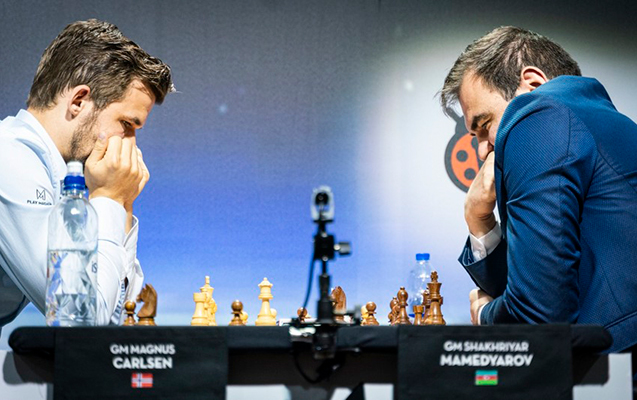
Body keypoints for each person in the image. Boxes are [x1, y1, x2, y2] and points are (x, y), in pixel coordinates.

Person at [439, 26, 637, 355]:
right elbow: (536, 284)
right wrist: (478, 219)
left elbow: (540, 317)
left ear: (532, 84)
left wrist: (484, 314)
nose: (481, 151)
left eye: (484, 125)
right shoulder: (591, 121)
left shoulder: (539, 114)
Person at [0, 19, 173, 331]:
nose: (130, 145)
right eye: (127, 125)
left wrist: (122, 207)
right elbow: (83, 323)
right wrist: (110, 198)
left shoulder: (68, 183)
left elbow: (121, 318)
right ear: (79, 101)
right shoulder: (8, 157)